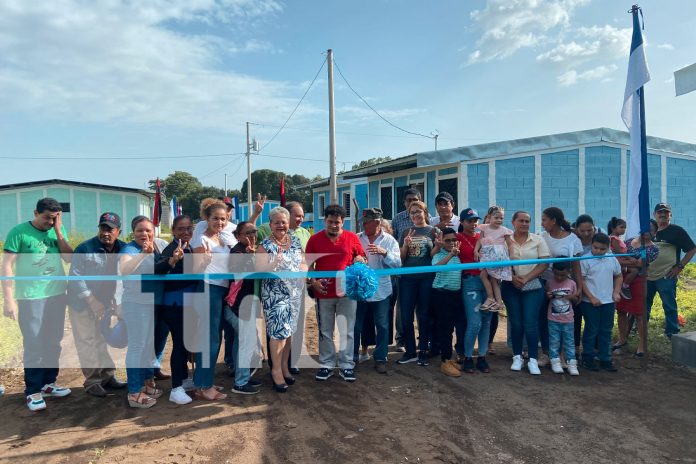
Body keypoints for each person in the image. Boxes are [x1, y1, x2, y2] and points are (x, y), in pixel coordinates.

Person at [2, 198, 74, 411]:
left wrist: (59, 232)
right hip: (31, 297)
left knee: (54, 341)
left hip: (57, 295)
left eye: (55, 218)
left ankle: (48, 383)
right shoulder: (19, 232)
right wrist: (8, 299)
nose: (50, 223)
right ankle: (32, 391)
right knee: (34, 343)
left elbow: (69, 258)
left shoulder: (57, 231)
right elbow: (6, 266)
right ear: (36, 212)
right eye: (47, 218)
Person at [68, 212, 128, 398]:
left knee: (101, 338)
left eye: (110, 229)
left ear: (118, 231)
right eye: (103, 228)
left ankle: (107, 376)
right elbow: (75, 278)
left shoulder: (123, 248)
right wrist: (92, 300)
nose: (106, 233)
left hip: (105, 303)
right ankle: (92, 381)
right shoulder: (85, 248)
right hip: (81, 302)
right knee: (87, 341)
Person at [306, 204, 366, 382]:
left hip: (347, 292)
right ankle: (327, 364)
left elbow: (361, 257)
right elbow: (308, 265)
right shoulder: (314, 240)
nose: (334, 225)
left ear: (343, 222)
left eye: (337, 222)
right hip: (323, 292)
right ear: (325, 221)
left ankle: (347, 365)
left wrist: (359, 259)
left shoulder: (352, 238)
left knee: (347, 330)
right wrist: (313, 281)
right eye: (330, 222)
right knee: (325, 330)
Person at [257, 200, 310, 375]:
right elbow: (259, 270)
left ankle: (285, 367)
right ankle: (276, 370)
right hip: (275, 296)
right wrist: (274, 264)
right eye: (277, 222)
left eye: (284, 222)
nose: (281, 225)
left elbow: (304, 263)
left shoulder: (295, 242)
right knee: (278, 334)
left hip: (294, 294)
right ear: (270, 224)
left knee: (289, 333)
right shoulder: (264, 245)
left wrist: (302, 272)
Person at [119, 216, 163, 408]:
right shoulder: (129, 249)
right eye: (140, 231)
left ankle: (145, 383)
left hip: (151, 302)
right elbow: (124, 269)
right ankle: (134, 392)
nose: (144, 234)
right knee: (137, 346)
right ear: (133, 232)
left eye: (148, 230)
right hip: (136, 303)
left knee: (146, 345)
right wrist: (143, 255)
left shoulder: (157, 247)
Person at [191, 200, 232, 401]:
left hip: (221, 290)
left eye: (223, 218)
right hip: (208, 289)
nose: (219, 222)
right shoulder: (202, 239)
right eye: (215, 218)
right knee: (210, 338)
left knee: (215, 337)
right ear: (206, 219)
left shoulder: (221, 239)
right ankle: (203, 386)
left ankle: (204, 380)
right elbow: (195, 269)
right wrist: (203, 261)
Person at [153, 215, 197, 404]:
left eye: (188, 228)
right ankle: (176, 388)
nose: (185, 232)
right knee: (179, 345)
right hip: (174, 306)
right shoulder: (172, 249)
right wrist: (172, 260)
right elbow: (158, 268)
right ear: (173, 231)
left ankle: (184, 380)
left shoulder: (190, 248)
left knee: (185, 344)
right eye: (181, 229)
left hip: (187, 304)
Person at [501, 211, 550, 374]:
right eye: (521, 221)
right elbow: (498, 261)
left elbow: (544, 263)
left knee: (530, 323)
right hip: (510, 285)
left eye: (527, 221)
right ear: (513, 222)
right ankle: (517, 356)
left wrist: (527, 278)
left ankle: (533, 359)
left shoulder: (537, 240)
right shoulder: (504, 240)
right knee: (516, 322)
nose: (524, 224)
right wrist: (512, 277)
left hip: (533, 286)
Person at [355, 208, 401, 374]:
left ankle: (381, 358)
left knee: (382, 325)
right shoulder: (356, 238)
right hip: (360, 289)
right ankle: (353, 358)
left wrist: (384, 253)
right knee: (356, 325)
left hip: (381, 290)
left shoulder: (389, 241)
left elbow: (397, 264)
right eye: (363, 222)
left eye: (367, 222)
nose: (364, 225)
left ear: (377, 222)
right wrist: (356, 260)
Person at [396, 200, 441, 367]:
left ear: (425, 213)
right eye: (412, 213)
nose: (415, 215)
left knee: (424, 315)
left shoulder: (433, 231)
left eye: (418, 211)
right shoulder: (407, 231)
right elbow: (401, 257)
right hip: (408, 279)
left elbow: (432, 255)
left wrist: (438, 246)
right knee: (406, 317)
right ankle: (410, 351)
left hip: (426, 278)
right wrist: (406, 245)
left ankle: (423, 351)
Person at [223, 221, 263, 395]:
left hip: (245, 304)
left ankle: (242, 375)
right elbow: (235, 269)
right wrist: (248, 256)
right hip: (237, 305)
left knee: (242, 341)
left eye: (253, 231)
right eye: (247, 233)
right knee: (246, 342)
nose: (251, 235)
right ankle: (240, 382)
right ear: (238, 236)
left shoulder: (250, 250)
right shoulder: (237, 251)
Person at [540, 207, 583, 366]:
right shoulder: (542, 237)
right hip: (546, 285)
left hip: (567, 286)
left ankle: (566, 355)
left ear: (554, 221)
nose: (542, 223)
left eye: (544, 220)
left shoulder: (573, 239)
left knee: (567, 320)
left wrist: (579, 288)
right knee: (546, 319)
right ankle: (546, 353)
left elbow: (577, 266)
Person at [647, 203, 696, 338]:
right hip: (647, 276)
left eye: (666, 212)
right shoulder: (647, 230)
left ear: (670, 215)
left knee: (669, 305)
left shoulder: (677, 231)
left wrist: (680, 267)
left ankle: (672, 332)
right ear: (654, 215)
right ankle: (639, 330)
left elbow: (692, 249)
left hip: (666, 276)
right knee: (644, 305)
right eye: (660, 212)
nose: (663, 214)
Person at [456, 208, 493, 374]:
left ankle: (482, 357)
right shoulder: (457, 238)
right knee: (474, 322)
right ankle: (468, 357)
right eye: (469, 220)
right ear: (462, 222)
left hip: (489, 281)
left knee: (486, 320)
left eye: (475, 220)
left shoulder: (483, 237)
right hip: (470, 281)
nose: (473, 224)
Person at [579, 233, 622, 372]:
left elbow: (619, 276)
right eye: (596, 247)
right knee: (591, 329)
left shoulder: (611, 258)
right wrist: (591, 297)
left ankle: (605, 358)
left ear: (608, 247)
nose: (598, 251)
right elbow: (582, 281)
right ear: (591, 244)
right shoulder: (585, 260)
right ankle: (587, 357)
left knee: (606, 330)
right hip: (590, 302)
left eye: (602, 249)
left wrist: (616, 292)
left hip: (608, 301)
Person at [614, 233, 658, 358]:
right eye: (645, 229)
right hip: (623, 279)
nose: (647, 232)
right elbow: (617, 258)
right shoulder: (628, 241)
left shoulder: (653, 249)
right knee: (621, 311)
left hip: (639, 280)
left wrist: (625, 261)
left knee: (639, 313)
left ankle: (642, 345)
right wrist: (625, 261)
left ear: (654, 233)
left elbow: (640, 264)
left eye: (650, 230)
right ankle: (622, 339)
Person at [430, 227, 464, 377]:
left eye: (453, 240)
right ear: (441, 242)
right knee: (445, 329)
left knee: (454, 327)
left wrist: (454, 254)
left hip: (456, 295)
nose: (451, 243)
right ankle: (445, 361)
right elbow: (436, 267)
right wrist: (450, 255)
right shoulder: (439, 254)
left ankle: (449, 358)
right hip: (441, 295)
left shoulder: (458, 255)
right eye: (448, 240)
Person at [474, 206, 513, 312]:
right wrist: (476, 250)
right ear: (490, 217)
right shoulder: (485, 228)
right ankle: (497, 301)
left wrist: (511, 257)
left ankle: (493, 299)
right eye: (496, 218)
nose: (499, 220)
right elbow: (480, 240)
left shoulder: (504, 230)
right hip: (486, 255)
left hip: (497, 257)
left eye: (501, 218)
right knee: (489, 278)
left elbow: (510, 244)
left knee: (493, 278)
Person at [545, 261, 580, 375]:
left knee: (569, 342)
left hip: (568, 319)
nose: (559, 277)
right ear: (553, 272)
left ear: (568, 272)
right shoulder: (549, 283)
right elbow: (546, 297)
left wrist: (571, 297)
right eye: (557, 274)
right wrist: (548, 296)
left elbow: (577, 299)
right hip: (553, 319)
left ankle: (571, 363)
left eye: (563, 275)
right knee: (554, 341)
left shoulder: (572, 283)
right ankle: (555, 361)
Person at [607, 217, 639, 300]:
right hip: (618, 260)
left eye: (625, 227)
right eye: (621, 227)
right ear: (613, 228)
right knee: (635, 265)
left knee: (634, 270)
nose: (624, 229)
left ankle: (625, 285)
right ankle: (624, 287)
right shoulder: (613, 238)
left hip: (622, 259)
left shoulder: (618, 238)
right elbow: (618, 251)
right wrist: (629, 258)